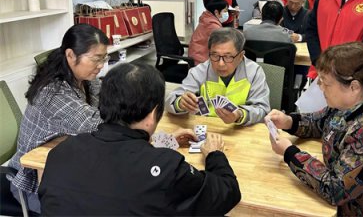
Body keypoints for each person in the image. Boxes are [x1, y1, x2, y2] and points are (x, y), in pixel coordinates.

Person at [39, 62, 241, 216]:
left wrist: (163, 143)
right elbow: (227, 192)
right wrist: (215, 154)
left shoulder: (60, 153)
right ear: (154, 114)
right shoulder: (167, 169)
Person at [267, 42, 363, 216]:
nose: (320, 87)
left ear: (354, 87)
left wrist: (290, 153)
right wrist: (288, 121)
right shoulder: (348, 105)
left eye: (325, 83)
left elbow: (335, 189)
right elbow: (319, 122)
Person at [7, 24, 110, 214]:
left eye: (104, 58)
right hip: (32, 181)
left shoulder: (85, 78)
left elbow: (107, 102)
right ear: (71, 55)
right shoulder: (52, 92)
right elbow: (94, 123)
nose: (101, 65)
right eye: (96, 59)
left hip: (62, 166)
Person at [166, 28, 270, 126]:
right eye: (215, 55)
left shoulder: (254, 72)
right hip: (208, 128)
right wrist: (180, 103)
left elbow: (262, 110)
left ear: (240, 56)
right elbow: (170, 100)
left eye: (228, 57)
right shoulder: (199, 72)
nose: (220, 63)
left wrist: (239, 115)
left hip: (240, 131)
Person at [188, 0, 229, 65]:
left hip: (197, 56)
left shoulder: (207, 20)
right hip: (201, 61)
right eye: (225, 11)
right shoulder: (212, 26)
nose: (227, 14)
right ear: (216, 12)